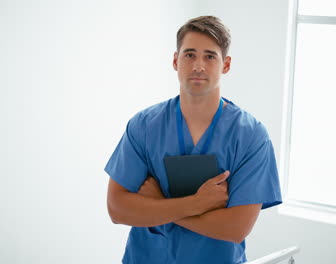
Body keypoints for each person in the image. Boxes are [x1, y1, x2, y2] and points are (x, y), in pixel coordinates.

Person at [105, 16, 282, 264]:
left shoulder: (251, 136)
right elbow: (117, 208)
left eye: (210, 56)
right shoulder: (144, 126)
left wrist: (158, 205)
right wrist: (197, 204)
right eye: (189, 55)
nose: (198, 65)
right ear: (176, 61)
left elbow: (236, 228)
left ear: (226, 65)